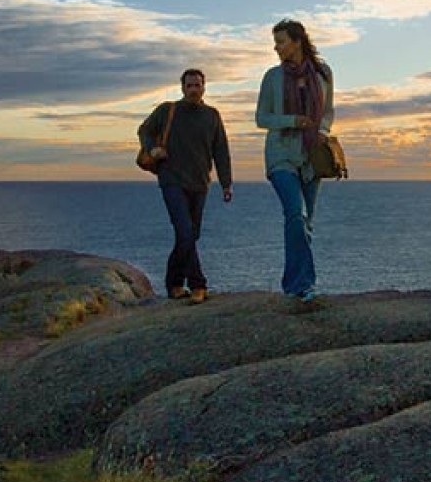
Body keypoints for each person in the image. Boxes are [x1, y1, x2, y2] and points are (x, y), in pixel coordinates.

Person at [137, 68, 233, 304]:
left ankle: (174, 283)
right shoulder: (167, 110)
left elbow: (220, 149)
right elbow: (144, 130)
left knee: (190, 235)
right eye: (189, 85)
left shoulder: (212, 115)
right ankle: (198, 285)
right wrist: (151, 148)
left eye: (197, 85)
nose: (193, 89)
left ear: (204, 88)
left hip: (200, 182)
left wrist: (226, 183)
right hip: (172, 180)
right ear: (182, 88)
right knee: (185, 231)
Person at [256, 18, 333, 307]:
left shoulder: (323, 73)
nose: (276, 48)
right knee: (295, 215)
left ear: (297, 41)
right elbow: (261, 118)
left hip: (311, 156)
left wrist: (322, 131)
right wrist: (293, 121)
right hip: (281, 155)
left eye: (281, 41)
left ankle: (294, 286)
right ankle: (304, 285)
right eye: (275, 42)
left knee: (305, 223)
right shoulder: (272, 77)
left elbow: (328, 111)